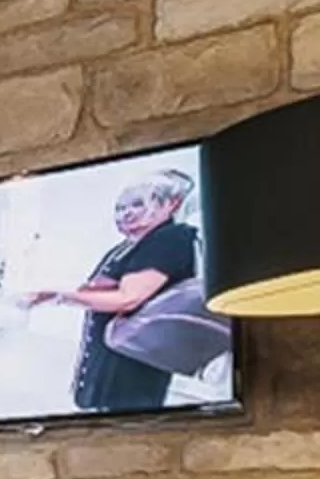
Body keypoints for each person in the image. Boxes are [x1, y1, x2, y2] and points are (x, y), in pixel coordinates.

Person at [28, 169, 199, 412]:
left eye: (137, 205)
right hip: (108, 357)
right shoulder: (125, 247)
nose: (125, 213)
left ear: (170, 204)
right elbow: (98, 288)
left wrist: (60, 296)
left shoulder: (170, 238)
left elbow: (127, 299)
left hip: (132, 367)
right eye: (119, 208)